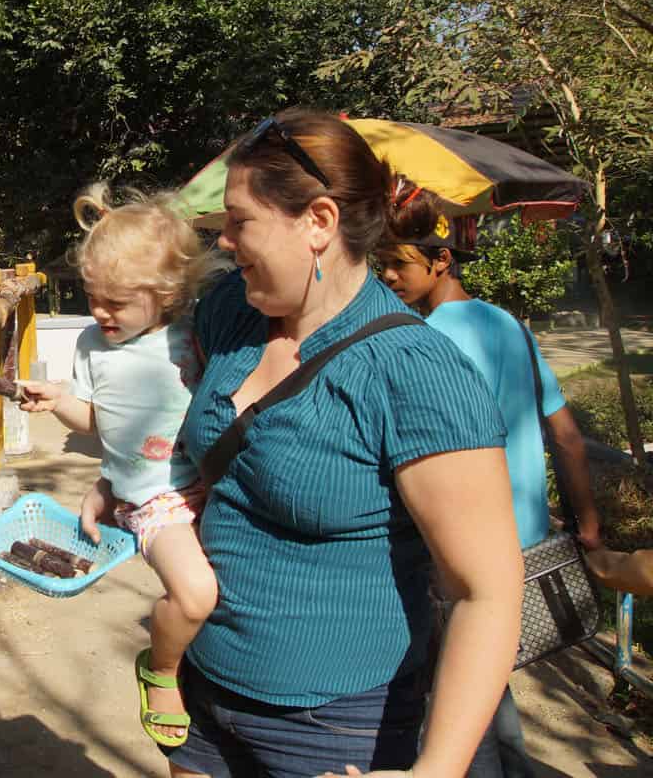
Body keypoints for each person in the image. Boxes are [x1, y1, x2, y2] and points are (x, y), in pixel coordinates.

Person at [165, 110, 523, 778]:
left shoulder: (415, 371)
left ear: (319, 222)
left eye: (240, 222)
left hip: (335, 727)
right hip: (206, 690)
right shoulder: (231, 312)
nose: (225, 241)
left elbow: (489, 590)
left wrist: (435, 769)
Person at [377, 190, 602, 778]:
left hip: (462, 552)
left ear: (441, 260)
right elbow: (567, 434)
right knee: (483, 691)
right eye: (382, 264)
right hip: (525, 541)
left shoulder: (426, 343)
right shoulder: (508, 325)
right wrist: (589, 524)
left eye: (399, 263)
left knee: (454, 708)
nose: (388, 275)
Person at [19, 182, 218, 748]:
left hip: (210, 485)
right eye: (93, 297)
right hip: (156, 501)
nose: (100, 312)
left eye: (117, 301)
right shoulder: (90, 344)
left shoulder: (194, 332)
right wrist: (59, 401)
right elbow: (96, 420)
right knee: (196, 594)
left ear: (167, 291)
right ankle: (159, 668)